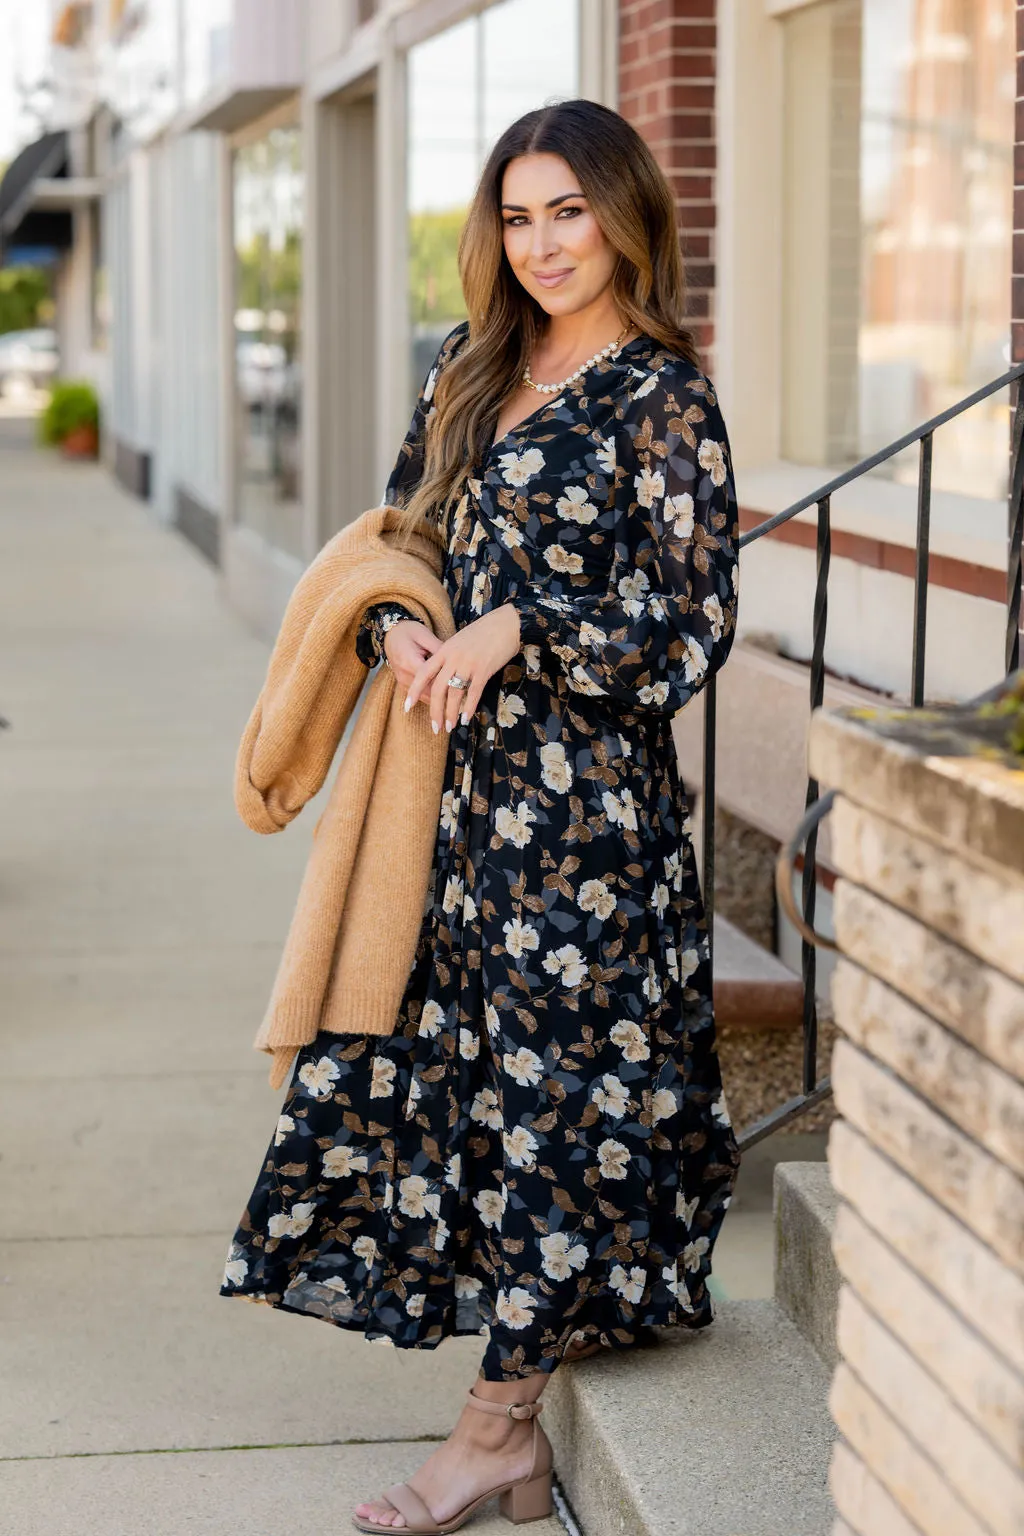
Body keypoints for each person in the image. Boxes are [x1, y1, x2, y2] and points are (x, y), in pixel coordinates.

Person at [221, 98, 741, 1534]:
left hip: (584, 837)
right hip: (451, 817)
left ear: (625, 213)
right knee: (483, 1103)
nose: (543, 243)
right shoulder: (472, 365)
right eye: (518, 217)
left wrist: (522, 627)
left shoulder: (660, 396)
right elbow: (408, 537)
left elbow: (692, 625)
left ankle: (495, 1431)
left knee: (564, 1106)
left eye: (568, 210)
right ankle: (509, 1407)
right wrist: (401, 624)